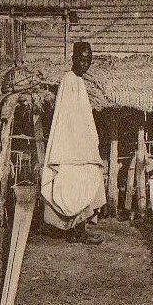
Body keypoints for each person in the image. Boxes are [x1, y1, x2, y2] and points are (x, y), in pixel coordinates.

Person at [40, 42, 106, 244]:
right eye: (82, 59)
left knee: (88, 182)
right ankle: (75, 232)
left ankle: (79, 230)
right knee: (72, 186)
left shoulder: (79, 82)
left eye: (88, 60)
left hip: (81, 148)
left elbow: (84, 117)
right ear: (73, 59)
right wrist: (75, 144)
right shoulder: (68, 81)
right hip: (70, 148)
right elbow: (66, 118)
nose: (85, 64)